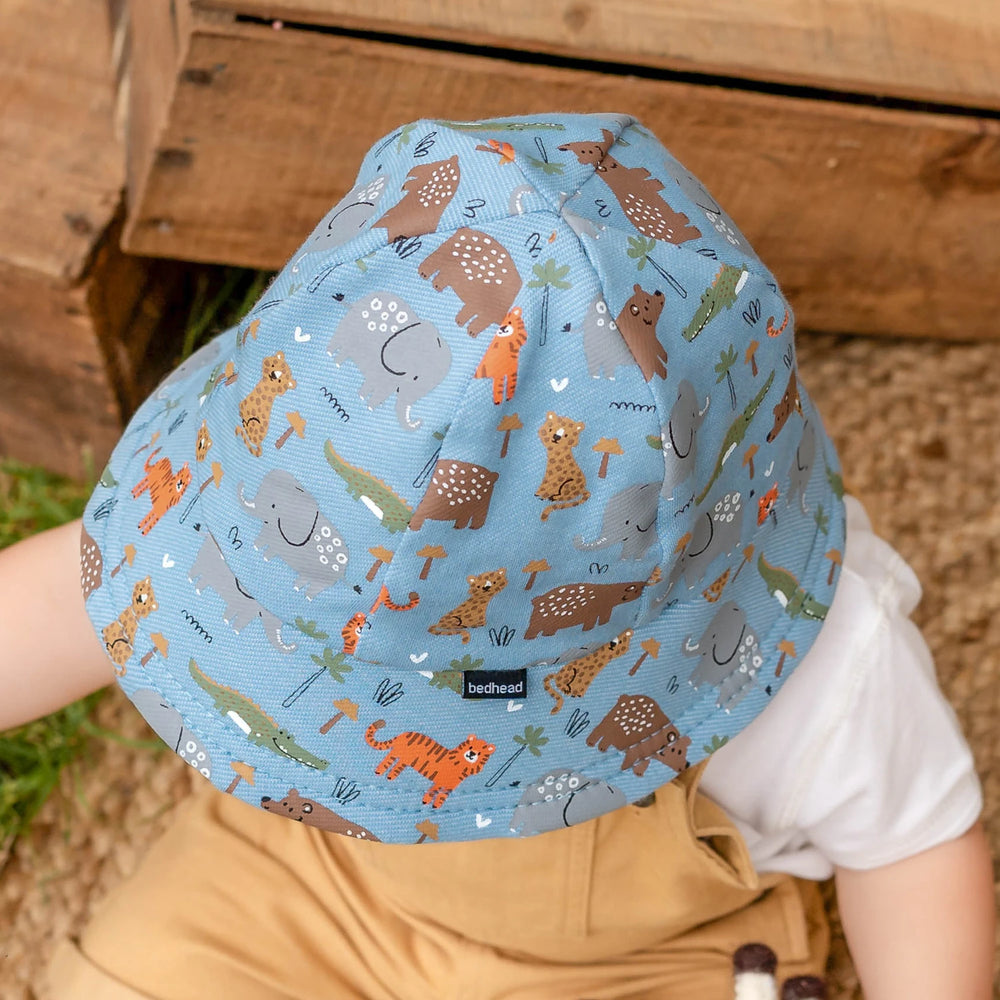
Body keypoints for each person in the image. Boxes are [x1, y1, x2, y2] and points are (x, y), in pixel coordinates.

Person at [1, 112, 992, 999]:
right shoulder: (261, 493)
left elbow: (912, 849)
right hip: (317, 878)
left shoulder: (822, 663)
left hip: (627, 962)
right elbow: (71, 596)